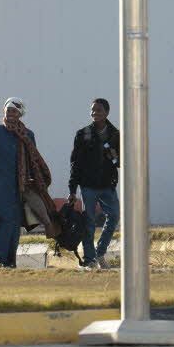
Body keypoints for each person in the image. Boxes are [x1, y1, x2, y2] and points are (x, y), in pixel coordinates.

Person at [0, 98, 52, 268]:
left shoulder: (28, 135)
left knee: (14, 224)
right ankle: (0, 258)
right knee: (3, 221)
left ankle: (9, 260)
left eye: (14, 111)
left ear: (20, 114)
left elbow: (33, 160)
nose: (10, 114)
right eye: (8, 111)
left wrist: (37, 183)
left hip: (20, 187)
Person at [67, 98, 121, 271]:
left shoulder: (116, 134)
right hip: (88, 186)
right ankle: (89, 259)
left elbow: (120, 162)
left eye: (98, 110)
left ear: (106, 113)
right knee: (89, 222)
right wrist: (72, 189)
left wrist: (114, 156)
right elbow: (75, 163)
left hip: (107, 185)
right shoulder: (82, 134)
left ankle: (100, 251)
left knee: (113, 216)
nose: (94, 113)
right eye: (92, 110)